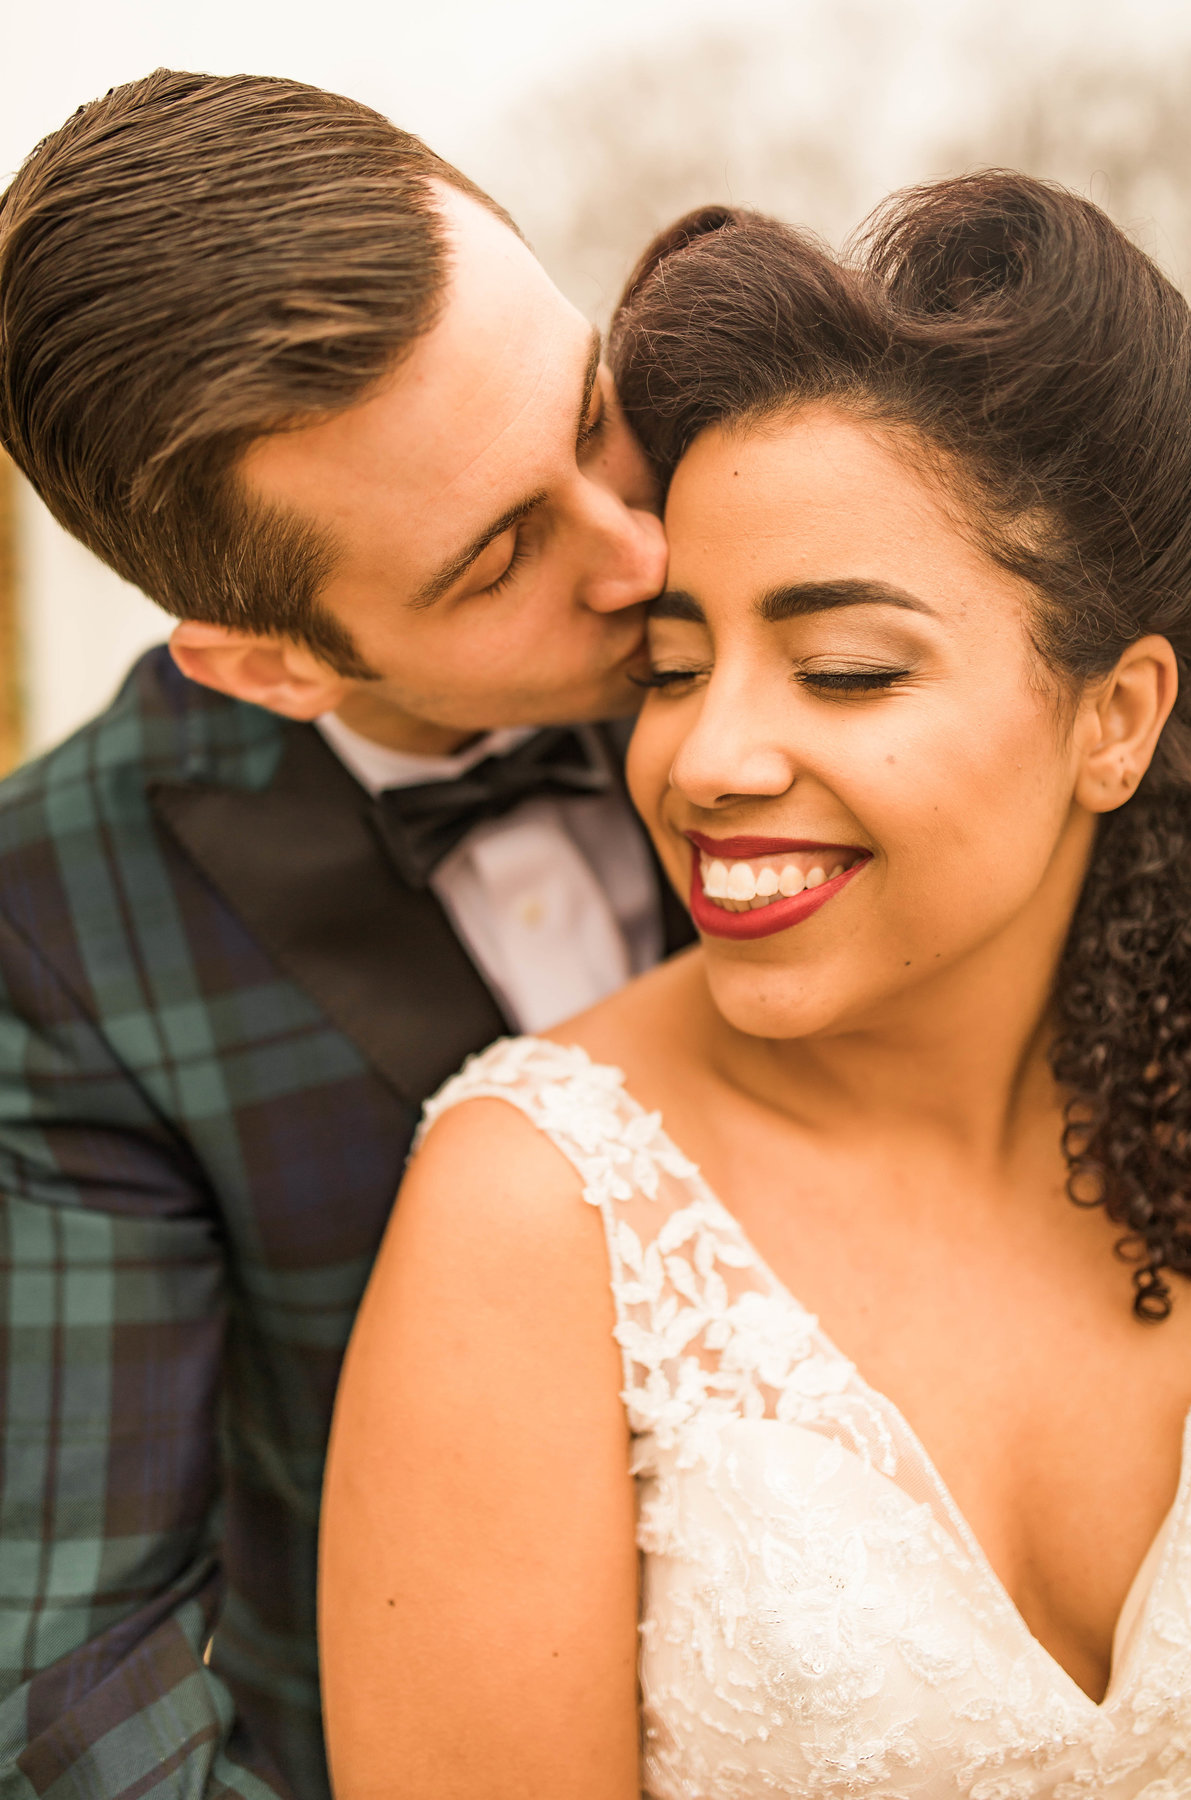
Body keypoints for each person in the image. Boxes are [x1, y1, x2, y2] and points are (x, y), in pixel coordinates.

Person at [321, 173, 1191, 1797]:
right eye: (669, 666)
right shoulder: (539, 1217)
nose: (705, 756)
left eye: (847, 669)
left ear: (1115, 718)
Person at [0, 68, 689, 1800]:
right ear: (265, 661)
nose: (642, 552)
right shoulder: (51, 932)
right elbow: (76, 1691)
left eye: (593, 412)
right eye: (497, 556)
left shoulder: (817, 599)